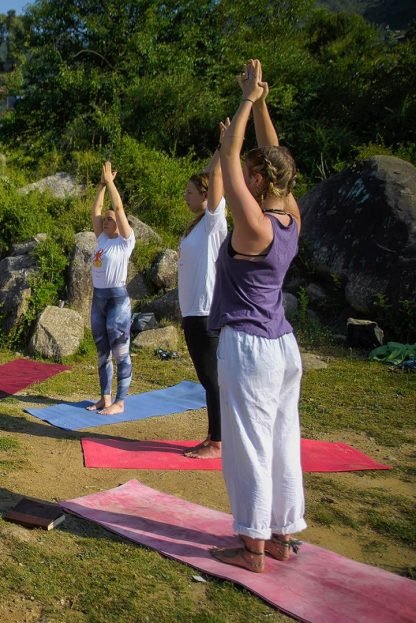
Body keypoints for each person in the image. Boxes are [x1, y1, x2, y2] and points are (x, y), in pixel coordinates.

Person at [208, 59, 305, 573]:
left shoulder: (253, 226)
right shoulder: (289, 215)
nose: (242, 170)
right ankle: (283, 536)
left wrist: (246, 97)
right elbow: (273, 156)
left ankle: (252, 547)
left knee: (248, 446)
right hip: (285, 346)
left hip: (248, 346)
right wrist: (264, 103)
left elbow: (229, 154)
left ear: (260, 179)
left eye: (252, 172)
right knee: (284, 441)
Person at [179, 133, 228, 459]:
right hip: (193, 311)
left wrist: (226, 146)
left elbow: (216, 178)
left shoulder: (213, 221)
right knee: (208, 378)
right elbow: (211, 177)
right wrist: (218, 147)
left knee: (212, 379)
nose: (186, 196)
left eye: (191, 192)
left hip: (205, 310)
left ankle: (217, 442)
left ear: (206, 196)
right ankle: (215, 435)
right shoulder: (199, 226)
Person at [87, 161, 135, 415]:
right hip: (99, 299)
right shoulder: (102, 239)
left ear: (120, 222)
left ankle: (120, 401)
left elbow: (118, 207)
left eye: (110, 219)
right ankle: (105, 397)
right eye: (104, 219)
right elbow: (96, 208)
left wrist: (112, 183)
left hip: (117, 300)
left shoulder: (126, 242)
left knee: (120, 350)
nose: (105, 219)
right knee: (102, 350)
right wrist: (102, 185)